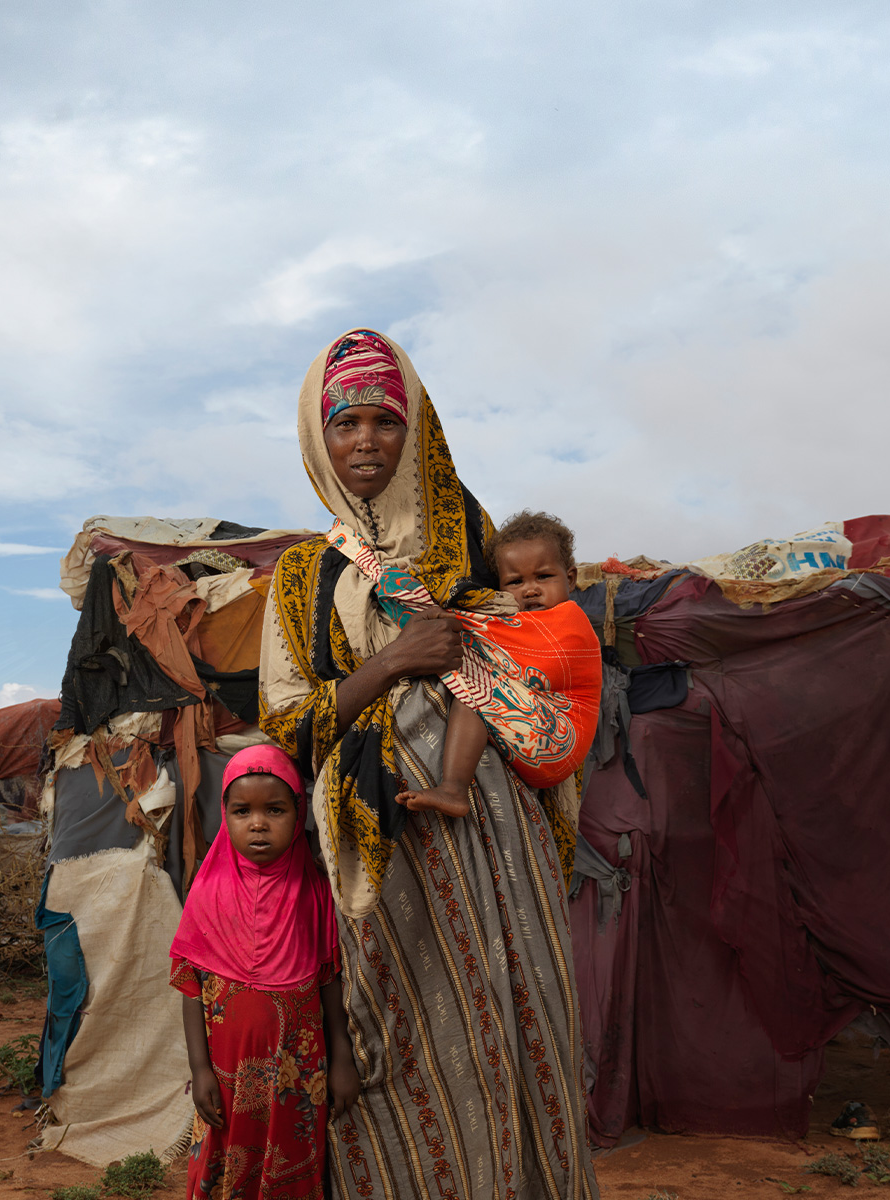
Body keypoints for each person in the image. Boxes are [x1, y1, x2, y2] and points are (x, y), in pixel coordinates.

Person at [260, 329, 602, 1198]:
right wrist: (390, 663)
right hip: (380, 838)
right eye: (345, 424)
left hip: (494, 834)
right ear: (318, 440)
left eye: (385, 420)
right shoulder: (301, 577)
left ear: (418, 433)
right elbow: (284, 730)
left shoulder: (477, 544)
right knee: (399, 1032)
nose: (366, 440)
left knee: (518, 1011)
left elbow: (538, 670)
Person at [169, 744, 360, 1200]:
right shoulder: (208, 887)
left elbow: (328, 979)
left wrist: (341, 1059)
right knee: (225, 1158)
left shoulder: (313, 888)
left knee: (290, 1160)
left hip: (297, 1070)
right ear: (225, 814)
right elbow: (191, 986)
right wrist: (199, 1068)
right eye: (242, 811)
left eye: (274, 809)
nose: (258, 823)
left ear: (299, 816)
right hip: (225, 1070)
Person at [391, 509, 602, 818]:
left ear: (570, 578)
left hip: (559, 736)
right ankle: (454, 788)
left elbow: (534, 660)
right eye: (515, 582)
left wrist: (448, 617)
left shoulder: (571, 621)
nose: (530, 589)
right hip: (535, 741)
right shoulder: (521, 621)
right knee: (470, 700)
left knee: (478, 688)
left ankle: (453, 788)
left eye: (543, 576)